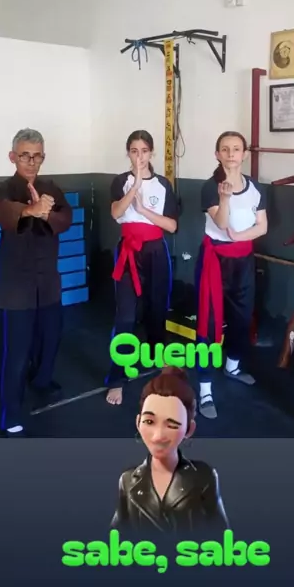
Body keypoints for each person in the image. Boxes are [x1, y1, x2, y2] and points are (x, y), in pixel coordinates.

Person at [0, 128, 72, 437]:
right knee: (15, 353)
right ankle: (8, 414)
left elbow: (65, 219)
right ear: (12, 157)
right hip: (15, 287)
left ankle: (41, 381)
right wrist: (30, 209)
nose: (31, 162)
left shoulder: (51, 188)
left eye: (37, 156)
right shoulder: (4, 189)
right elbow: (5, 212)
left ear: (43, 157)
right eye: (25, 155)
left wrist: (45, 215)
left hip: (48, 283)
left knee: (50, 339)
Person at [195, 131, 268, 419]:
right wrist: (224, 199)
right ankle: (204, 388)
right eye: (224, 149)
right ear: (217, 154)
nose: (230, 154)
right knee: (208, 322)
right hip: (215, 261)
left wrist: (239, 237)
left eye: (236, 149)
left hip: (243, 260)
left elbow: (262, 226)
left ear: (244, 154)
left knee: (242, 316)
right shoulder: (209, 187)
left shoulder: (255, 187)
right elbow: (221, 222)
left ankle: (232, 366)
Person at [105, 130, 179, 406]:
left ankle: (157, 359)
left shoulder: (163, 184)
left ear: (152, 153)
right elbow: (116, 213)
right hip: (128, 253)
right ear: (128, 153)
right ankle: (116, 378)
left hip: (156, 252)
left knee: (157, 309)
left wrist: (145, 210)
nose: (139, 157)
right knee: (125, 316)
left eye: (144, 151)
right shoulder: (120, 181)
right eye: (134, 151)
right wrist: (135, 186)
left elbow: (172, 225)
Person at [111, 367, 229, 534]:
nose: (158, 436)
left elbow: (221, 532)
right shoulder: (127, 480)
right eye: (149, 422)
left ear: (189, 429)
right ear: (138, 422)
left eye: (172, 425)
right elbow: (116, 533)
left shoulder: (204, 477)